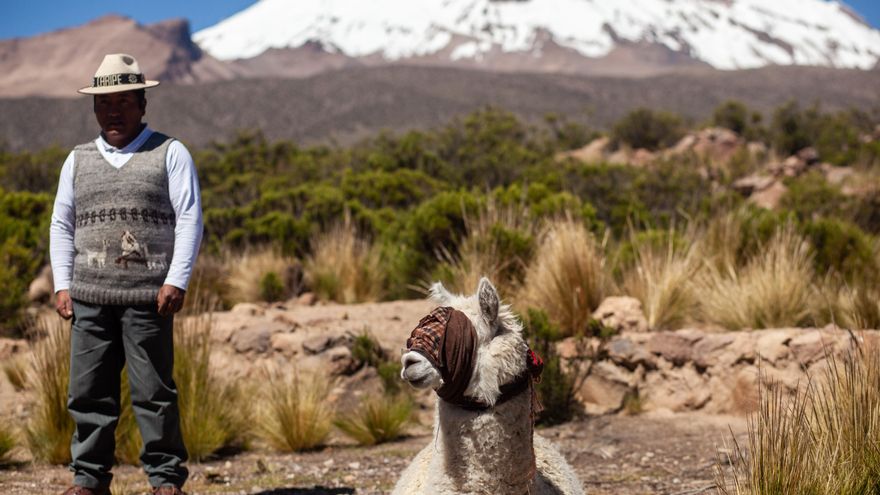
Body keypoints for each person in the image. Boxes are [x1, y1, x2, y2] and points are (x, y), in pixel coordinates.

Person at [49, 53, 203, 495]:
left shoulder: (170, 153)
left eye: (123, 102)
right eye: (104, 103)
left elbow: (189, 217)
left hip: (149, 298)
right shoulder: (77, 160)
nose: (113, 111)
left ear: (142, 104)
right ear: (94, 109)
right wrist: (63, 284)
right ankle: (89, 481)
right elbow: (63, 222)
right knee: (87, 394)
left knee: (155, 394)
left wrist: (177, 279)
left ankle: (165, 480)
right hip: (89, 298)